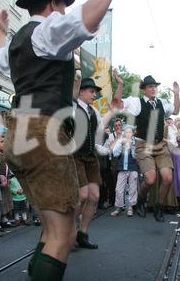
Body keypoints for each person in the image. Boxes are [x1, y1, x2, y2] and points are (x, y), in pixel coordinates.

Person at [0, 0, 134, 279]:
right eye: (62, 6)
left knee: (50, 229)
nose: (65, 11)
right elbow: (84, 21)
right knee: (63, 236)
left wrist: (2, 29)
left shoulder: (19, 41)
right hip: (43, 132)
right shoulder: (45, 32)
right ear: (53, 5)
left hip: (19, 132)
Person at [113, 73, 180, 222]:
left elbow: (175, 110)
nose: (153, 89)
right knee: (150, 179)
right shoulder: (137, 102)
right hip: (143, 144)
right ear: (144, 89)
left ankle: (159, 207)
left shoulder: (162, 102)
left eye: (155, 86)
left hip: (160, 145)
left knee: (168, 178)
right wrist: (120, 85)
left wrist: (176, 94)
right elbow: (117, 104)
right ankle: (141, 199)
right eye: (150, 86)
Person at [74, 78, 104, 249]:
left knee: (94, 196)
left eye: (95, 92)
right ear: (81, 92)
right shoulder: (72, 107)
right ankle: (67, 231)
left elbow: (98, 136)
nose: (95, 94)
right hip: (76, 155)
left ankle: (82, 234)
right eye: (91, 91)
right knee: (82, 195)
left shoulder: (94, 112)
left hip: (91, 157)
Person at [110, 125, 139, 217]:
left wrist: (131, 147)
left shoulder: (135, 142)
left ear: (133, 133)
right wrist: (120, 145)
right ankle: (119, 207)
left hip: (133, 167)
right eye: (126, 132)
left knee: (133, 188)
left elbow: (136, 156)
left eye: (130, 132)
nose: (128, 134)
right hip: (122, 168)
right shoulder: (120, 141)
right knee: (118, 189)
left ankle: (130, 207)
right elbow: (115, 153)